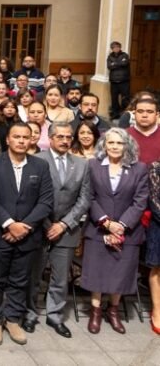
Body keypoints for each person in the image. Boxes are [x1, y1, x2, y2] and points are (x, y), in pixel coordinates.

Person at [0, 123, 54, 347]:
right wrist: (9, 224)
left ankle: (13, 318)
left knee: (20, 279)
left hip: (28, 235)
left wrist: (24, 226)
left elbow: (46, 201)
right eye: (17, 137)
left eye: (26, 137)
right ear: (8, 140)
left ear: (31, 140)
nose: (22, 141)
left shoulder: (40, 166)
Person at [24, 122, 91, 338]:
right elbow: (30, 197)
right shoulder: (36, 161)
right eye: (60, 136)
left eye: (68, 137)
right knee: (33, 274)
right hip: (39, 228)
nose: (65, 140)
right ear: (50, 138)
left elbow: (85, 198)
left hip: (67, 230)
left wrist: (63, 224)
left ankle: (54, 315)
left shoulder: (82, 164)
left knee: (60, 277)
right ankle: (30, 313)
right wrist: (47, 224)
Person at [82, 128, 148, 335]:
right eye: (111, 143)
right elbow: (88, 197)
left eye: (119, 143)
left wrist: (121, 225)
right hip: (98, 229)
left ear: (127, 145)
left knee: (120, 273)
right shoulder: (92, 165)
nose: (115, 147)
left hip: (128, 231)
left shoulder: (139, 168)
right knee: (97, 271)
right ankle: (95, 312)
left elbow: (140, 201)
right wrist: (105, 222)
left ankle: (113, 311)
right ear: (104, 145)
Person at [147, 161, 160, 334]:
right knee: (158, 268)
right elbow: (154, 200)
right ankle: (157, 311)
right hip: (159, 225)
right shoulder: (156, 168)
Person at [107, 41, 131, 119]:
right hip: (114, 81)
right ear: (112, 49)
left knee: (125, 99)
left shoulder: (125, 55)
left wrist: (114, 63)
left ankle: (125, 115)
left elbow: (124, 63)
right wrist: (118, 63)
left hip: (124, 81)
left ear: (120, 48)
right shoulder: (110, 56)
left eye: (117, 47)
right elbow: (109, 66)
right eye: (114, 47)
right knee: (114, 99)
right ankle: (115, 114)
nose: (116, 49)